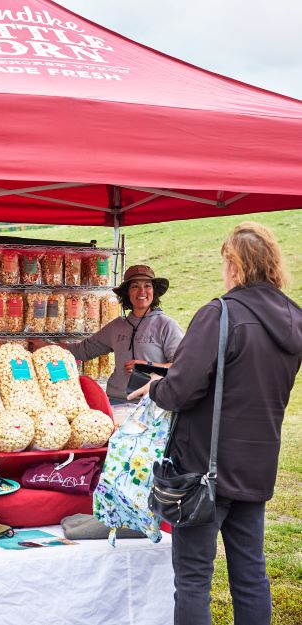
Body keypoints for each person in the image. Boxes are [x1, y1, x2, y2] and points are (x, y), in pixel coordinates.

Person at [128, 222, 302, 625]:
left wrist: (157, 387)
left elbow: (180, 391)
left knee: (193, 578)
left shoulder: (220, 314)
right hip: (257, 465)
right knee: (251, 574)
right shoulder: (293, 318)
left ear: (234, 266)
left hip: (203, 467)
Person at [68, 264, 183, 405]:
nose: (142, 291)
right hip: (116, 402)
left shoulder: (166, 325)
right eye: (135, 286)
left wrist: (148, 366)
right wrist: (47, 346)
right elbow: (83, 350)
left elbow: (181, 367)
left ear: (154, 291)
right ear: (127, 293)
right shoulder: (117, 326)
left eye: (147, 286)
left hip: (152, 404)